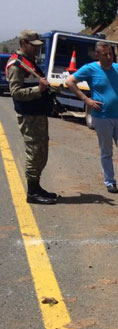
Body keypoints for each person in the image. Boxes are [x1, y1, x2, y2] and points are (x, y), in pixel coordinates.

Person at [65, 41, 118, 194]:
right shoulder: (90, 69)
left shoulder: (116, 68)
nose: (109, 57)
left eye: (111, 54)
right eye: (105, 54)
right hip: (102, 117)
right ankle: (110, 182)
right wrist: (86, 99)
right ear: (97, 55)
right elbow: (69, 81)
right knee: (106, 151)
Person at [6, 29, 56, 204]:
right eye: (33, 46)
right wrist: (39, 89)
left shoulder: (30, 62)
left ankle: (37, 186)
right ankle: (32, 192)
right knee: (34, 153)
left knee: (41, 152)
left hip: (38, 114)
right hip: (29, 116)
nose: (37, 49)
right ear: (23, 43)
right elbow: (16, 92)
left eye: (38, 46)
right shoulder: (16, 65)